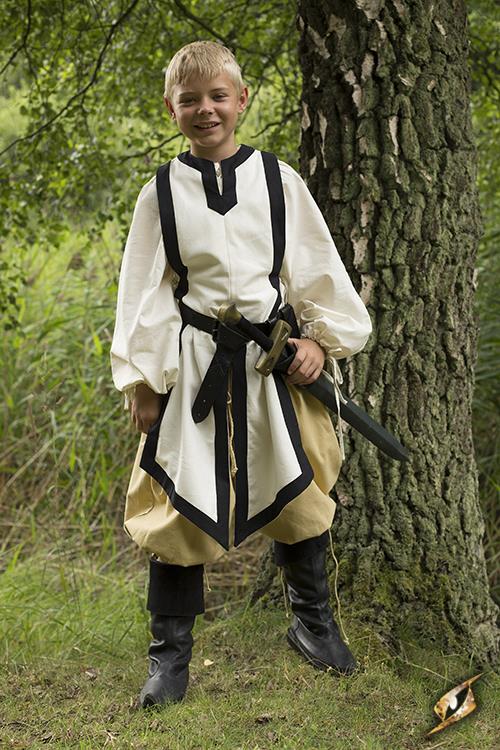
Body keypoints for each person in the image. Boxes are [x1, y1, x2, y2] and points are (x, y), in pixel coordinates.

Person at [110, 40, 372, 708]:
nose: (206, 110)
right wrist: (144, 380)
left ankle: (312, 625)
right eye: (190, 100)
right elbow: (144, 289)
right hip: (194, 365)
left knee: (302, 491)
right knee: (177, 506)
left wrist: (317, 342)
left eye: (218, 96)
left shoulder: (278, 181)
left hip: (269, 363)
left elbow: (314, 267)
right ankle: (169, 659)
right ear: (171, 109)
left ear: (241, 100)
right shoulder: (160, 193)